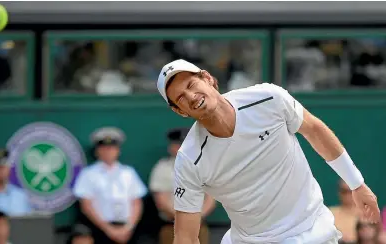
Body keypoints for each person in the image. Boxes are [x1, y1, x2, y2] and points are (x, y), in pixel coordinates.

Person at [155, 59, 381, 244]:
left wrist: (357, 184)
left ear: (208, 79)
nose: (191, 96)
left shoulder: (268, 98)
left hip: (312, 232)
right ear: (179, 111)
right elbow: (185, 235)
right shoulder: (189, 159)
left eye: (191, 85)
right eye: (181, 98)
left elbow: (314, 130)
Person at [73, 127, 147, 244]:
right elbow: (86, 205)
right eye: (104, 149)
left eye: (112, 148)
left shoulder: (128, 173)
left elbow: (136, 203)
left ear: (118, 150)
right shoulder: (88, 174)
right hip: (98, 230)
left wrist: (128, 227)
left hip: (128, 230)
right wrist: (108, 229)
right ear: (97, 151)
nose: (108, 152)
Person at [149, 128, 215, 244]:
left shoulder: (203, 165)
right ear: (171, 147)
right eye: (178, 144)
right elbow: (161, 200)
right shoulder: (162, 168)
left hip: (199, 225)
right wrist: (183, 219)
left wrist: (196, 217)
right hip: (172, 226)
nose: (181, 148)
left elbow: (210, 198)